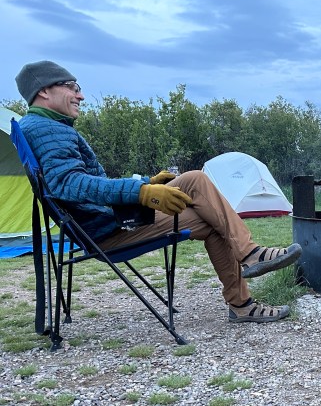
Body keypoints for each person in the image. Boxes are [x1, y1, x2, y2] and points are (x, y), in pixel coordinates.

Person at [15, 60, 302, 323]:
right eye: (72, 87)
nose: (80, 96)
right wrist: (142, 192)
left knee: (196, 184)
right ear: (44, 91)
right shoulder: (47, 129)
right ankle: (246, 277)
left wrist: (148, 181)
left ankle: (247, 267)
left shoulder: (44, 126)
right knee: (207, 207)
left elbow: (84, 182)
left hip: (104, 222)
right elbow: (69, 184)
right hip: (107, 232)